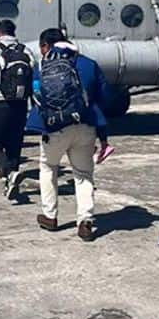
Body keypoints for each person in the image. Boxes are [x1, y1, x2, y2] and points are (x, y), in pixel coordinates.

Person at [30, 29, 112, 240]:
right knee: (83, 174)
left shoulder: (42, 65)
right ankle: (85, 220)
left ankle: (50, 216)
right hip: (85, 124)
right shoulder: (89, 63)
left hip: (54, 127)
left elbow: (37, 95)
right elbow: (105, 96)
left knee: (48, 167)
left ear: (45, 46)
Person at [0, 19, 34, 199]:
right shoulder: (25, 50)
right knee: (14, 144)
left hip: (0, 101)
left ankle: (10, 172)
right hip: (20, 103)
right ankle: (11, 181)